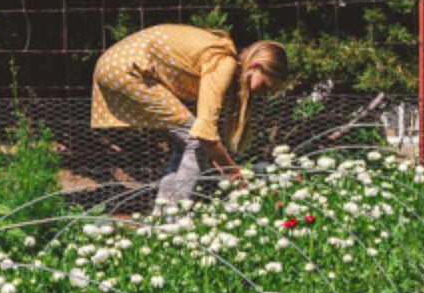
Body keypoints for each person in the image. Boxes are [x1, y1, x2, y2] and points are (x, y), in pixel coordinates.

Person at [91, 24, 289, 204]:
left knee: (186, 144)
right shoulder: (224, 63)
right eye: (265, 86)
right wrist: (232, 172)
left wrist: (217, 159)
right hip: (129, 69)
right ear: (256, 66)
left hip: (117, 64)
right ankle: (173, 218)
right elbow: (204, 132)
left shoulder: (223, 60)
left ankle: (163, 216)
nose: (263, 94)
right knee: (194, 142)